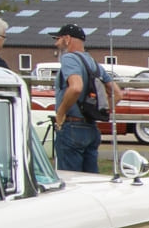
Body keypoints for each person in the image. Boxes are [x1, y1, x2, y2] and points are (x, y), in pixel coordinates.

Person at [51, 23, 122, 173]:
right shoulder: (92, 62)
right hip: (91, 127)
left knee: (70, 179)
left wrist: (60, 113)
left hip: (72, 126)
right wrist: (97, 110)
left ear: (67, 39)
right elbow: (117, 93)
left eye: (57, 39)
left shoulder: (69, 58)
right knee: (91, 179)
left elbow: (76, 87)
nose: (55, 43)